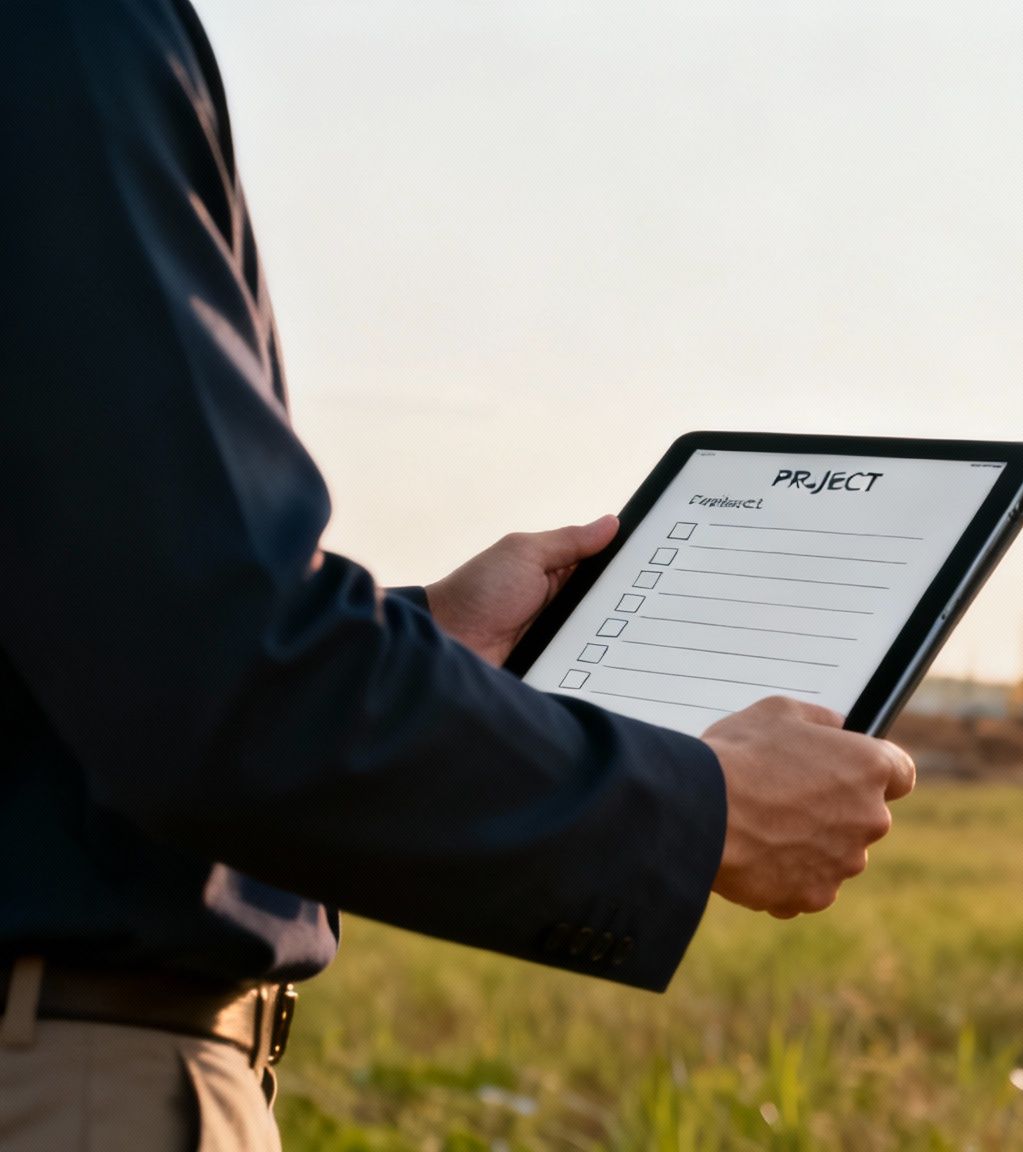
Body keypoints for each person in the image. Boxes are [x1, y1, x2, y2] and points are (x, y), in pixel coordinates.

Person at [0, 1, 912, 1146]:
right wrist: (699, 808)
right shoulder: (58, 34)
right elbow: (216, 678)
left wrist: (419, 630)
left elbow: (118, 619)